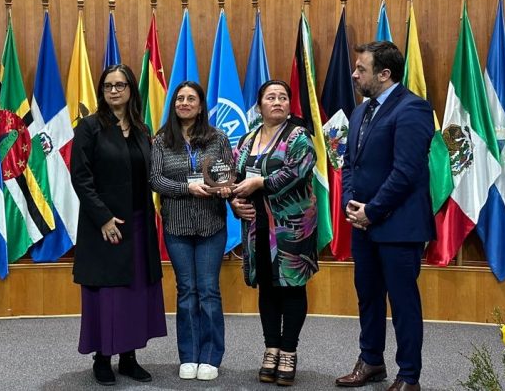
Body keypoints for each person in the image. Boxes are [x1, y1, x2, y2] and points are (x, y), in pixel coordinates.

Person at [334, 41, 434, 391]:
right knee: (368, 295)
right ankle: (371, 361)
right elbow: (350, 164)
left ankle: (409, 376)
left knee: (403, 302)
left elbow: (406, 172)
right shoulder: (361, 111)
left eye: (361, 69)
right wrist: (350, 203)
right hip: (362, 222)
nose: (355, 73)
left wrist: (372, 211)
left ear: (384, 73)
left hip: (399, 225)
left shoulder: (413, 109)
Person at [71, 64, 167, 386]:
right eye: (108, 85)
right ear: (102, 90)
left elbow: (150, 176)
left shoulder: (142, 130)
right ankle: (102, 358)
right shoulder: (88, 127)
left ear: (130, 90)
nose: (114, 91)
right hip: (104, 227)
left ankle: (129, 358)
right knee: (109, 294)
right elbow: (81, 178)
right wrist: (103, 218)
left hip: (139, 224)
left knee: (135, 293)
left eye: (120, 85)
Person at [229, 80, 319, 387]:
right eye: (271, 97)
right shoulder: (247, 138)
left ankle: (289, 351)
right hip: (257, 227)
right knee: (267, 287)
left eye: (283, 97)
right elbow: (234, 177)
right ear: (260, 105)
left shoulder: (299, 137)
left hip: (291, 226)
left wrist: (260, 184)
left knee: (292, 287)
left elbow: (298, 171)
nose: (277, 101)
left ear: (289, 104)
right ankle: (271, 348)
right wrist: (235, 203)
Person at [149, 81, 233, 381]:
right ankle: (188, 355)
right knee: (186, 292)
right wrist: (187, 187)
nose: (185, 103)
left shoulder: (218, 138)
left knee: (209, 291)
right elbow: (155, 180)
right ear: (174, 105)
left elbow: (228, 174)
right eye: (180, 98)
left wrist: (225, 189)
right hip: (177, 227)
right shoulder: (161, 141)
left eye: (191, 98)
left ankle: (211, 356)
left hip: (212, 225)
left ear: (200, 105)